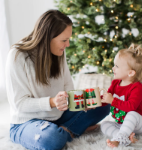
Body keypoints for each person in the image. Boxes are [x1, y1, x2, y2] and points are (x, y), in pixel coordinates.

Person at [5, 10, 110, 150]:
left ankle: (64, 130)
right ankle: (70, 131)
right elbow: (20, 103)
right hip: (26, 123)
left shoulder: (58, 52)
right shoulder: (18, 56)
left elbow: (68, 86)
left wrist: (81, 102)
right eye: (64, 40)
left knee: (103, 103)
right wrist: (52, 102)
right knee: (52, 139)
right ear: (47, 37)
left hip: (58, 115)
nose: (67, 45)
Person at [100, 43, 142, 148]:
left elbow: (131, 106)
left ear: (131, 73)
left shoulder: (137, 88)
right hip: (123, 124)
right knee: (104, 124)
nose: (113, 68)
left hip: (141, 125)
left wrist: (112, 100)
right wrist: (94, 103)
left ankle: (119, 140)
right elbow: (106, 99)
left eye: (117, 66)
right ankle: (124, 136)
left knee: (131, 114)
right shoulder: (115, 83)